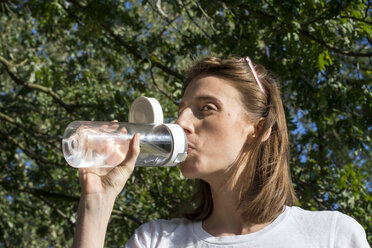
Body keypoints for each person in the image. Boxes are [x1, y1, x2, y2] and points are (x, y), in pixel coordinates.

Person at [72, 57, 370, 248]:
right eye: (181, 111)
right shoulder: (156, 240)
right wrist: (95, 205)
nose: (181, 123)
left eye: (207, 109)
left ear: (259, 128)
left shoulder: (331, 236)